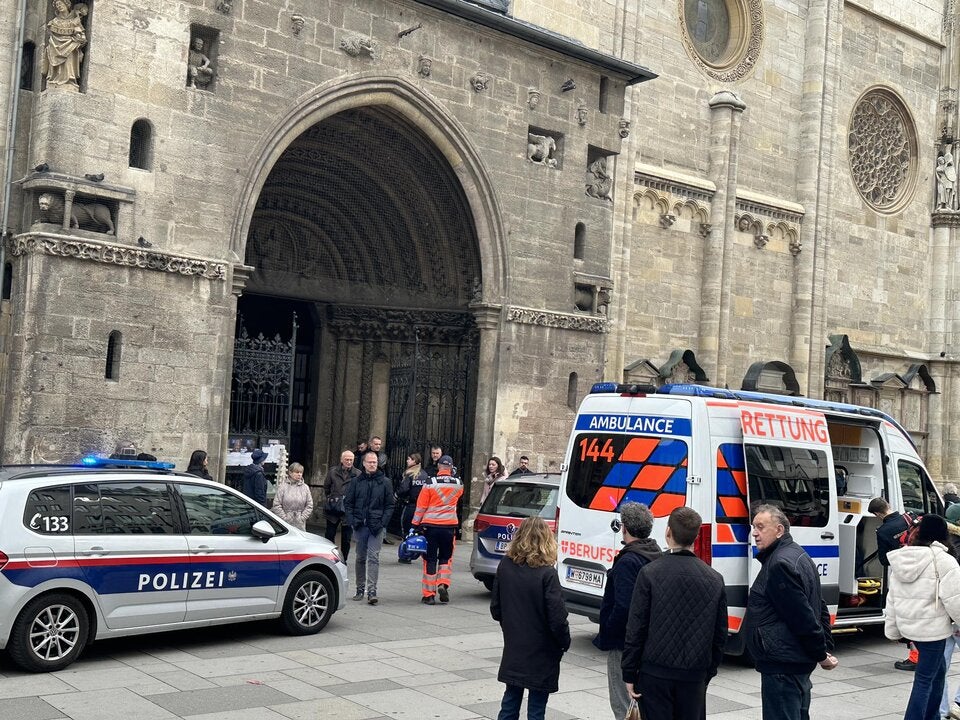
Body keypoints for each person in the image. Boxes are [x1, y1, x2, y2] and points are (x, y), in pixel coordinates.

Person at [622, 506, 727, 720]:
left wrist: (629, 671)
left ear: (668, 532)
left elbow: (636, 627)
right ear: (696, 537)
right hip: (694, 674)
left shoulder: (650, 573)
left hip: (654, 672)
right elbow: (719, 633)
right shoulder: (714, 579)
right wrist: (709, 671)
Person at [746, 505, 838, 720]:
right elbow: (819, 605)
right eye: (753, 527)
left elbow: (803, 616)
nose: (754, 533)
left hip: (783, 664)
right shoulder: (796, 554)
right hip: (790, 661)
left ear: (779, 530)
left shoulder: (780, 564)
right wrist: (822, 648)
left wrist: (821, 653)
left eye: (760, 527)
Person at [490, 516, 570, 720]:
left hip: (515, 644)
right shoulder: (547, 574)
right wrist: (563, 642)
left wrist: (511, 626)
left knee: (510, 700)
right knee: (536, 708)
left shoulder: (505, 566)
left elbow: (496, 608)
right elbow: (557, 618)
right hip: (542, 649)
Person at [886, 514, 960, 720]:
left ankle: (932, 716)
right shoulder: (944, 560)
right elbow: (955, 599)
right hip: (933, 629)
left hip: (911, 627)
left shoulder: (903, 557)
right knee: (925, 679)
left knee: (937, 674)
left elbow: (892, 598)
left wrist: (893, 629)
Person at [593, 502, 661, 720]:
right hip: (648, 642)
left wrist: (608, 628)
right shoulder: (655, 554)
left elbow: (623, 606)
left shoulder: (628, 560)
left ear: (625, 528)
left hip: (624, 643)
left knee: (623, 704)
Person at [869, 496, 918, 670]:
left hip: (903, 576)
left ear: (877, 514)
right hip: (922, 568)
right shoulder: (910, 517)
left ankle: (914, 658)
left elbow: (884, 560)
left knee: (907, 614)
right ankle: (921, 655)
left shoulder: (883, 531)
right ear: (888, 506)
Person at [344, 450, 395, 605]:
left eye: (374, 462)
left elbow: (390, 505)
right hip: (360, 525)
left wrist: (382, 522)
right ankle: (360, 588)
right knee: (360, 557)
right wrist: (353, 520)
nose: (372, 464)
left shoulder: (385, 482)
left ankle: (372, 590)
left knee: (374, 557)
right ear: (364, 463)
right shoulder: (356, 481)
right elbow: (348, 503)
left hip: (376, 526)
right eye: (370, 462)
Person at [412, 455, 463, 604]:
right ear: (451, 467)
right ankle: (443, 583)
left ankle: (429, 595)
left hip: (431, 527)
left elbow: (421, 507)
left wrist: (414, 525)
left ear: (439, 466)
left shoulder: (429, 483)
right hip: (449, 527)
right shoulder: (459, 484)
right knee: (446, 558)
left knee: (430, 559)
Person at [41, 0, 87, 89]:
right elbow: (51, 35)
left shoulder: (74, 21)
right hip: (55, 46)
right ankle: (54, 79)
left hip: (70, 46)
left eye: (61, 4)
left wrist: (78, 39)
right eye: (57, 5)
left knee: (69, 61)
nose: (59, 6)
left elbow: (82, 36)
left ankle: (69, 80)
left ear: (67, 5)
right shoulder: (54, 21)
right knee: (52, 52)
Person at [324, 450, 359, 560]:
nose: (349, 462)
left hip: (348, 510)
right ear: (341, 460)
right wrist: (332, 498)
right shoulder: (333, 471)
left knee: (346, 538)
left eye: (351, 460)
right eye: (347, 460)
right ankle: (330, 557)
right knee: (329, 535)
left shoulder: (357, 474)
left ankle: (344, 559)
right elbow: (327, 487)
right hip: (333, 508)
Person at [397, 453, 429, 560]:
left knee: (406, 529)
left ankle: (406, 555)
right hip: (423, 507)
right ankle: (417, 552)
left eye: (409, 459)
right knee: (418, 530)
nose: (407, 461)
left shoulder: (409, 474)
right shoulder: (425, 474)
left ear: (414, 461)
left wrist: (397, 495)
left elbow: (403, 490)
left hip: (410, 505)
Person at [273, 462, 313, 531]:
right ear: (290, 473)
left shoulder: (305, 487)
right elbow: (276, 505)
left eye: (301, 472)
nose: (299, 474)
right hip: (285, 523)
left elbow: (309, 505)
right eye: (297, 472)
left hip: (300, 524)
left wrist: (302, 518)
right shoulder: (283, 487)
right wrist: (285, 518)